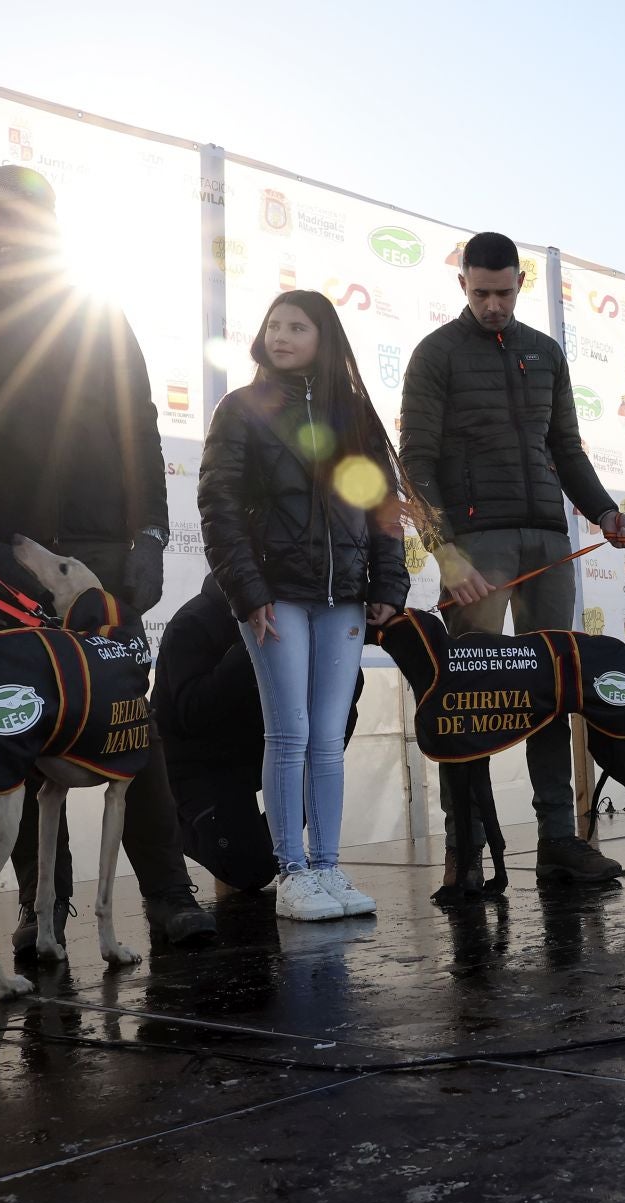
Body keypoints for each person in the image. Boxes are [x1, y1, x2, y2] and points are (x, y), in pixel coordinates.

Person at [0, 164, 216, 952]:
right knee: (26, 730)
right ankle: (45, 909)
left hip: (107, 556)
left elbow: (141, 436)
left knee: (124, 726)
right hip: (11, 556)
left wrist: (148, 539)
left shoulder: (100, 317)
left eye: (12, 221)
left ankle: (169, 896)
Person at [398, 231, 625, 884]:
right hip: (476, 546)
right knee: (469, 697)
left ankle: (559, 841)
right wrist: (445, 555)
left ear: (519, 284)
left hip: (548, 540)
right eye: (480, 292)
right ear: (461, 285)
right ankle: (467, 854)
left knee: (554, 689)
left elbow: (566, 448)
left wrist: (605, 513)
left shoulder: (545, 352)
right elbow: (415, 462)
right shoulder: (435, 355)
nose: (492, 305)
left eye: (504, 292)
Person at [198, 291, 409, 921]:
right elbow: (220, 505)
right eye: (273, 325)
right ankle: (291, 871)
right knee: (289, 731)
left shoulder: (355, 419)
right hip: (273, 594)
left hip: (342, 597)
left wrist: (386, 589)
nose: (281, 336)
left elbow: (384, 512)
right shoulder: (241, 409)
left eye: (297, 326)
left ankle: (327, 867)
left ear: (325, 337)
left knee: (326, 738)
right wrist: (248, 591)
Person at [152, 574, 365, 898]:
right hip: (200, 761)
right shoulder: (192, 623)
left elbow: (350, 687)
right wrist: (250, 652)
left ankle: (289, 845)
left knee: (337, 714)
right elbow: (192, 714)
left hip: (258, 748)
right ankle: (176, 825)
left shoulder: (294, 617)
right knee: (251, 870)